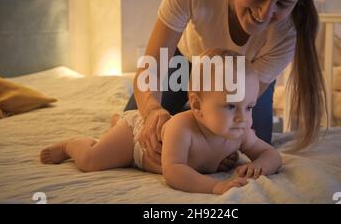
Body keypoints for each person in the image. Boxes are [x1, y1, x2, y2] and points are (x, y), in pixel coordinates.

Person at [123, 0, 326, 172]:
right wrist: (152, 109)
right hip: (188, 63)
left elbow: (236, 106)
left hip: (244, 79)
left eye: (283, 4)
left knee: (253, 138)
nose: (265, 13)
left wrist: (211, 145)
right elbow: (151, 67)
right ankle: (176, 111)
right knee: (135, 127)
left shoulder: (289, 31)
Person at [40, 49, 282, 195]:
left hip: (147, 141)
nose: (243, 117)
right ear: (196, 106)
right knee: (90, 160)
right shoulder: (181, 128)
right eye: (230, 106)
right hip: (136, 141)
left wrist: (260, 166)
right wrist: (213, 187)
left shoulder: (239, 131)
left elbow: (271, 155)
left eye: (248, 106)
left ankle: (114, 123)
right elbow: (174, 171)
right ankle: (71, 144)